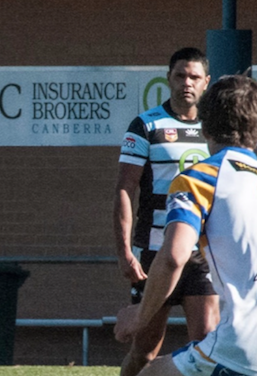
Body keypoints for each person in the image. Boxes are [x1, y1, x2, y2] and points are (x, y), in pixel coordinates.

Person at [114, 74, 257, 375]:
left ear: (203, 127)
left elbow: (174, 256)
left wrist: (140, 314)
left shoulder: (199, 178)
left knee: (150, 372)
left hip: (243, 345)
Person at [112, 47, 219, 376]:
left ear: (206, 82)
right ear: (168, 78)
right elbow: (124, 189)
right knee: (145, 350)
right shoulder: (146, 125)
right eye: (180, 76)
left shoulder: (216, 131)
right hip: (156, 254)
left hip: (201, 257)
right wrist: (125, 251)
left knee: (207, 346)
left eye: (194, 77)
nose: (187, 82)